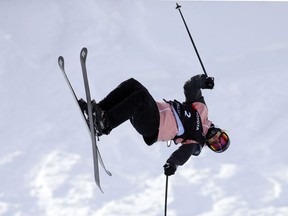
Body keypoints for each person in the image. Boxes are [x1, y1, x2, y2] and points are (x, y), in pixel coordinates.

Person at [78, 74, 230, 176]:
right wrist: (203, 81)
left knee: (141, 97)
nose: (216, 140)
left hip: (153, 126)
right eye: (221, 139)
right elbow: (190, 88)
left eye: (216, 145)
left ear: (209, 146)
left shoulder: (197, 141)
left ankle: (104, 123)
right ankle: (99, 112)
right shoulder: (202, 110)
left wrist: (172, 164)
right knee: (132, 85)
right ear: (221, 131)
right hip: (155, 110)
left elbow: (183, 154)